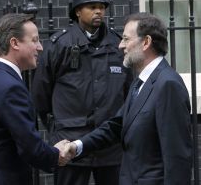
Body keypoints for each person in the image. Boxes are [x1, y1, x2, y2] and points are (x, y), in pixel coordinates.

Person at [67, 12, 193, 185]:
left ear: (146, 42)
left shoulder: (168, 85)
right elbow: (116, 125)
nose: (120, 45)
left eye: (126, 39)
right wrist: (77, 146)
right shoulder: (140, 82)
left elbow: (177, 157)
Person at [31, 0, 132, 184]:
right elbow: (40, 95)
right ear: (78, 11)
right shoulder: (59, 45)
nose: (99, 11)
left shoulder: (117, 44)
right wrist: (57, 128)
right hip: (70, 142)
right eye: (92, 7)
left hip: (110, 144)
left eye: (102, 7)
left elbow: (128, 91)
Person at [0, 13, 72, 185]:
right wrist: (56, 154)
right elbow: (30, 146)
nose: (40, 47)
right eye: (35, 40)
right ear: (14, 43)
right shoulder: (10, 87)